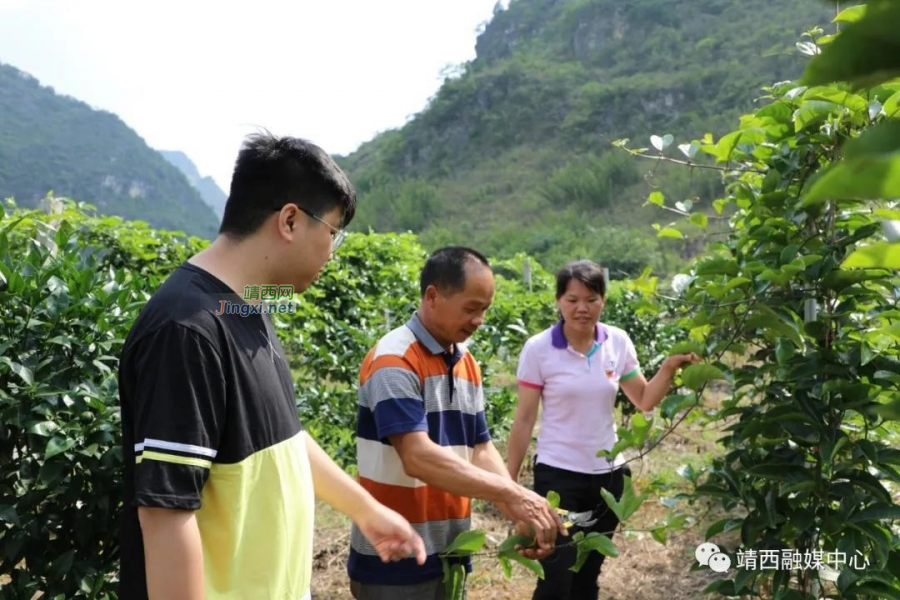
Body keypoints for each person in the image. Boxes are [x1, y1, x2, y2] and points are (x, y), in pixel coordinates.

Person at [118, 133, 425, 600]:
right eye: (333, 234)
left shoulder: (249, 305)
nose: (331, 254)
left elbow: (285, 436)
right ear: (289, 220)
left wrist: (365, 509)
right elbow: (165, 515)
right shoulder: (186, 330)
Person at [348, 247, 567, 599]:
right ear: (433, 296)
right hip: (395, 559)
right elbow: (417, 456)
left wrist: (517, 511)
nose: (479, 320)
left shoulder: (466, 361)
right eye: (470, 308)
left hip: (450, 551)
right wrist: (513, 493)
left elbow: (478, 448)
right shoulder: (394, 360)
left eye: (485, 310)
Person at [506, 260, 699, 600]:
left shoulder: (617, 342)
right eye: (572, 299)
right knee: (556, 575)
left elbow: (643, 399)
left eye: (591, 299)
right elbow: (523, 420)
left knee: (587, 575)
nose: (582, 308)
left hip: (608, 478)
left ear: (603, 301)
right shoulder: (539, 349)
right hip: (558, 476)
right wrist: (509, 489)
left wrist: (669, 368)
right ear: (558, 302)